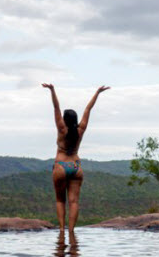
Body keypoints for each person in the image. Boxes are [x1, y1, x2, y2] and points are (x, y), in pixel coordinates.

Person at [41, 84, 110, 231]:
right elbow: (88, 109)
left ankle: (61, 231)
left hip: (61, 166)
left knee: (60, 200)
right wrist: (97, 92)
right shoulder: (81, 129)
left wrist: (52, 90)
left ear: (64, 119)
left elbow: (56, 108)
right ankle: (71, 231)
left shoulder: (61, 129)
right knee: (74, 202)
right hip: (76, 168)